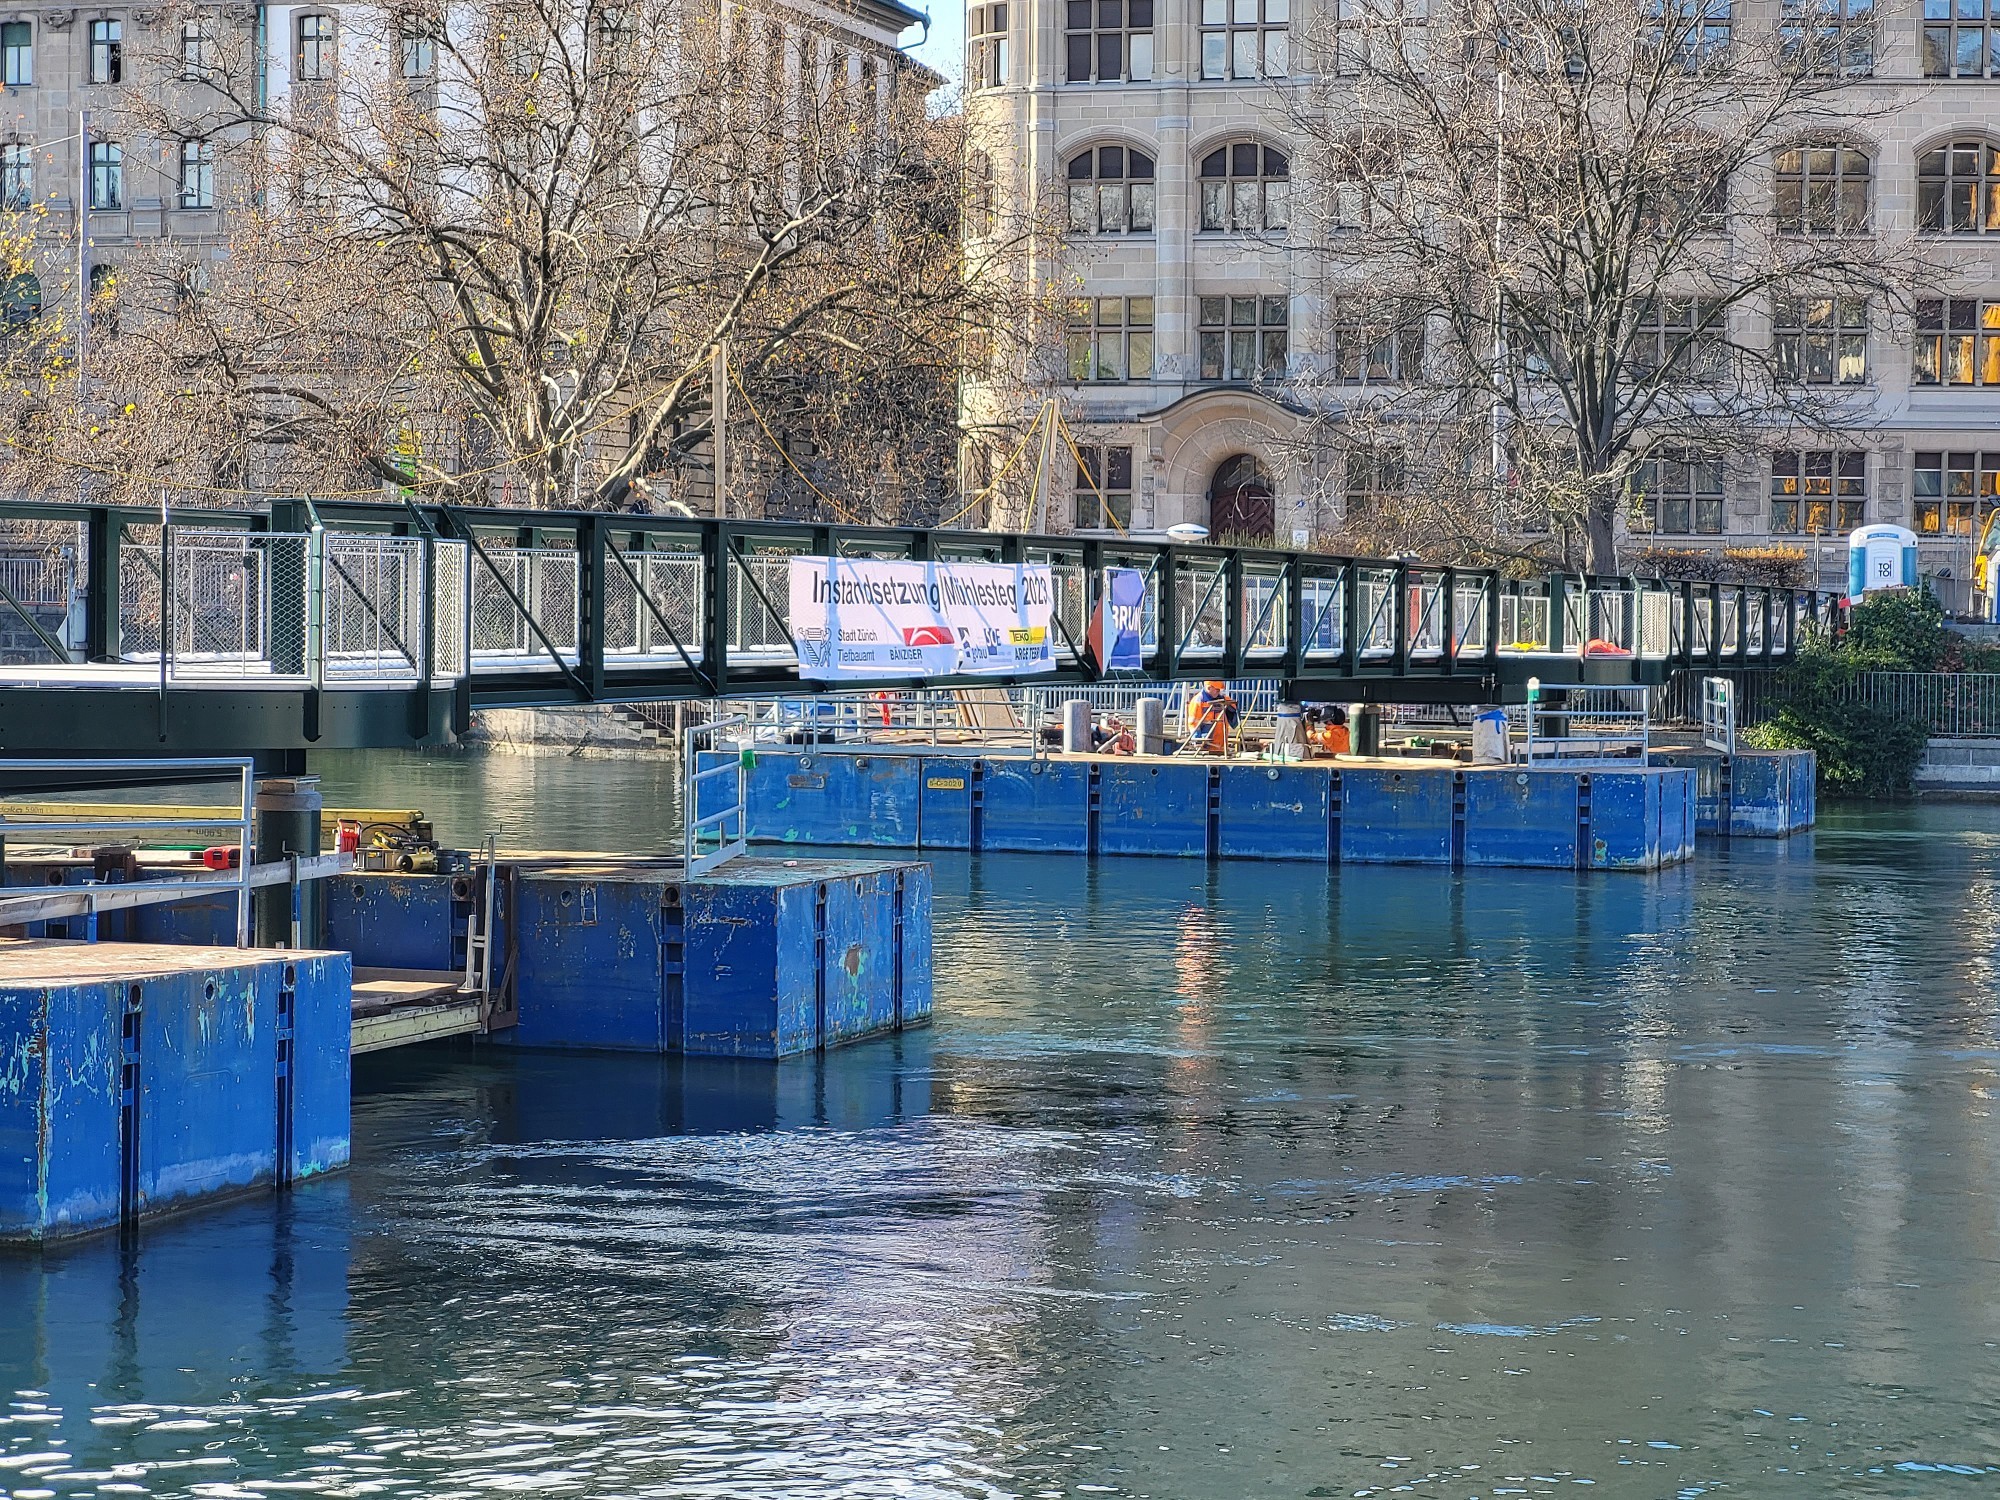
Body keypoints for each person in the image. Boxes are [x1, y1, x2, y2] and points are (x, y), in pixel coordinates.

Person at [1186, 680, 1239, 755]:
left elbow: (1234, 711)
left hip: (1221, 746)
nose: (1219, 692)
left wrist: (1229, 703)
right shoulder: (1198, 700)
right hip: (1207, 746)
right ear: (1209, 688)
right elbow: (1193, 723)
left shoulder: (1222, 698)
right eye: (1217, 689)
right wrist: (1197, 740)